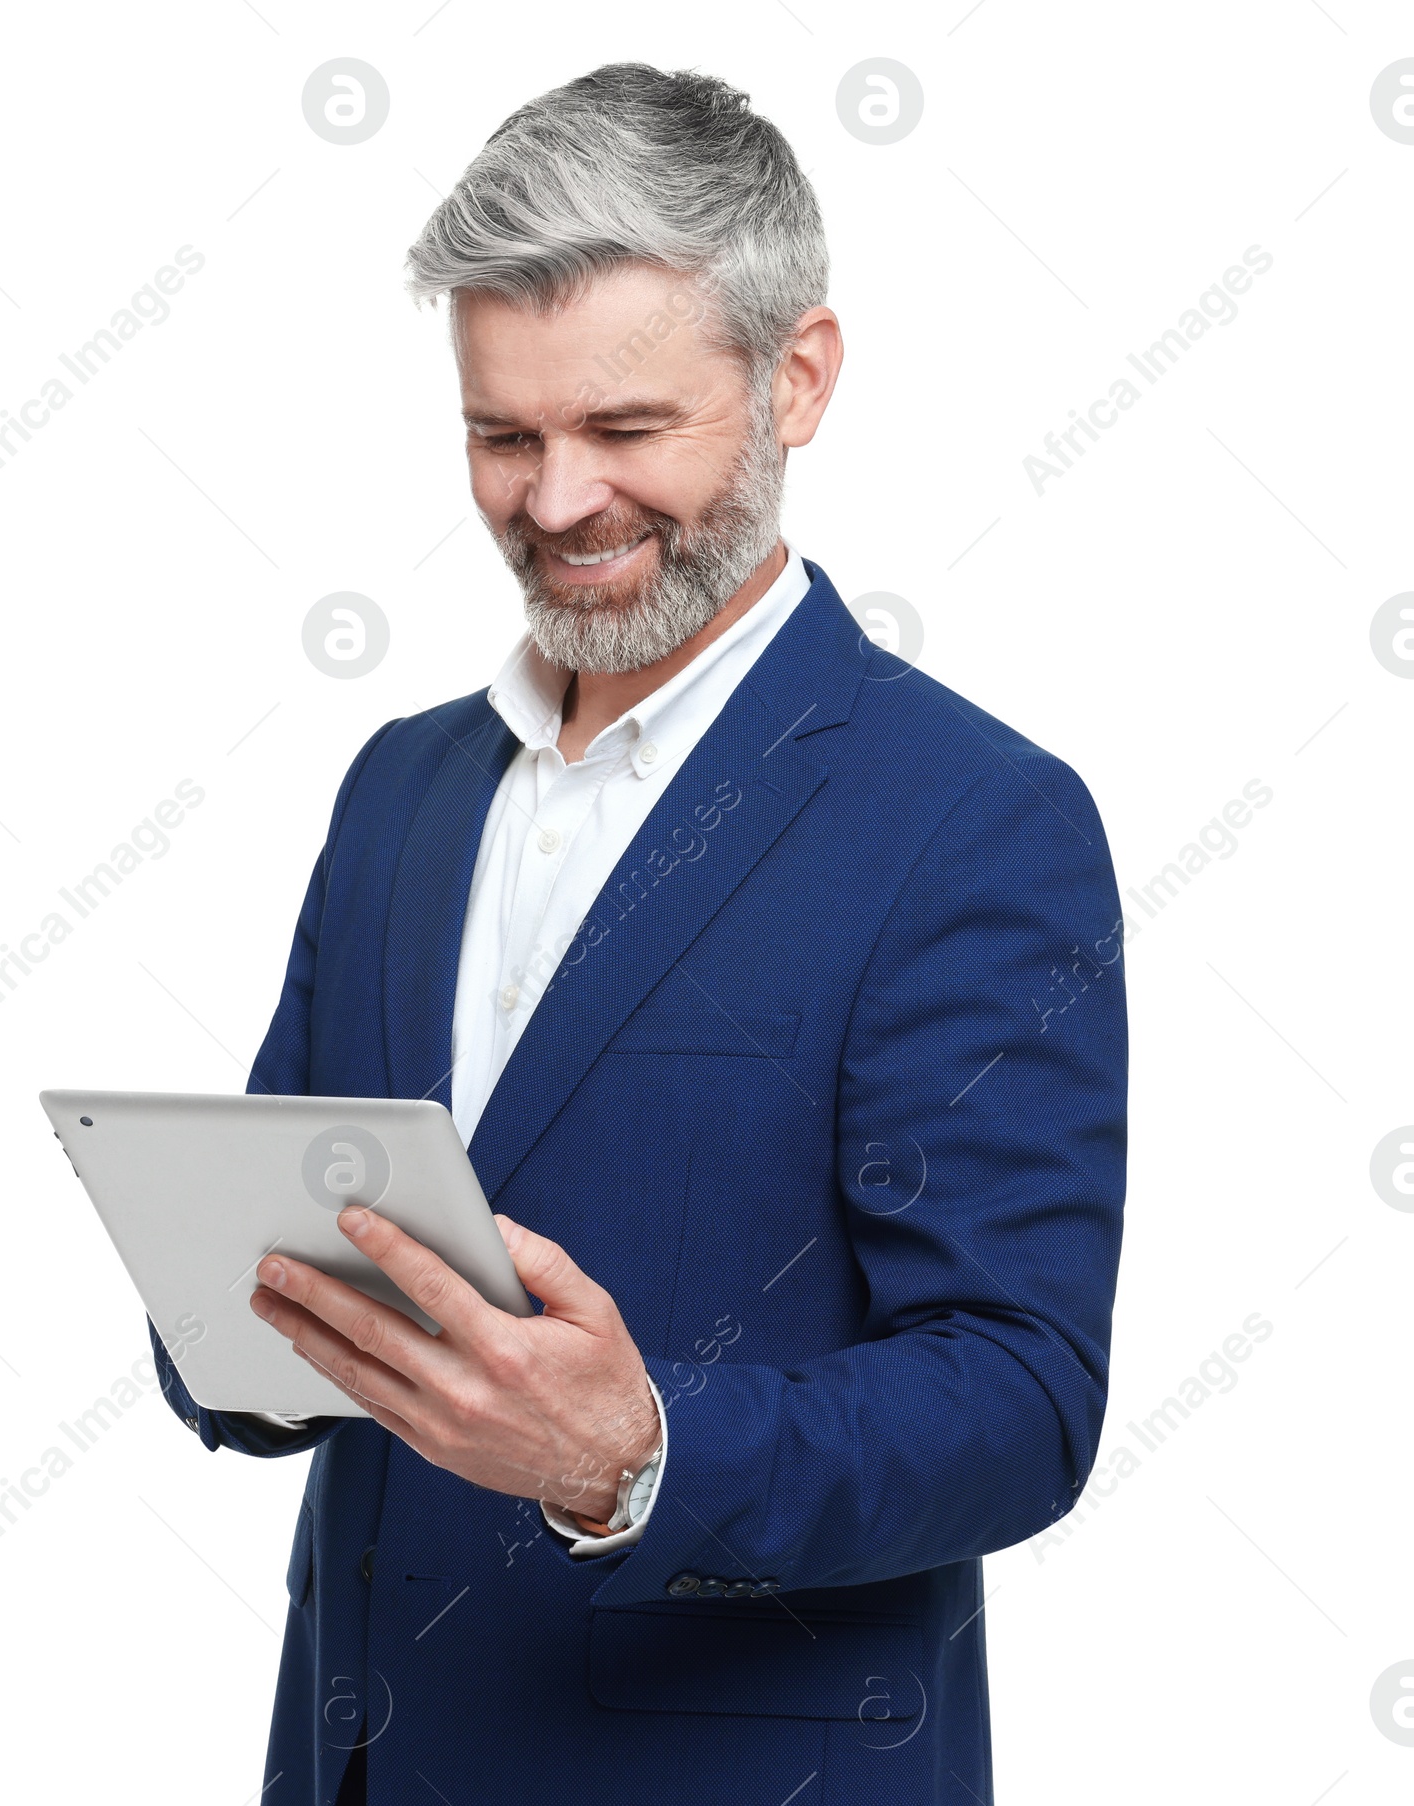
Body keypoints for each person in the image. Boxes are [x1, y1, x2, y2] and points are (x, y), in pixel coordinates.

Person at [151, 62, 1128, 1806]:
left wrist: (639, 1448)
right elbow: (273, 1286)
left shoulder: (970, 819)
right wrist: (231, 1317)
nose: (554, 503)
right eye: (502, 435)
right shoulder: (400, 788)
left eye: (624, 432)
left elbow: (1020, 1395)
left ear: (795, 379)